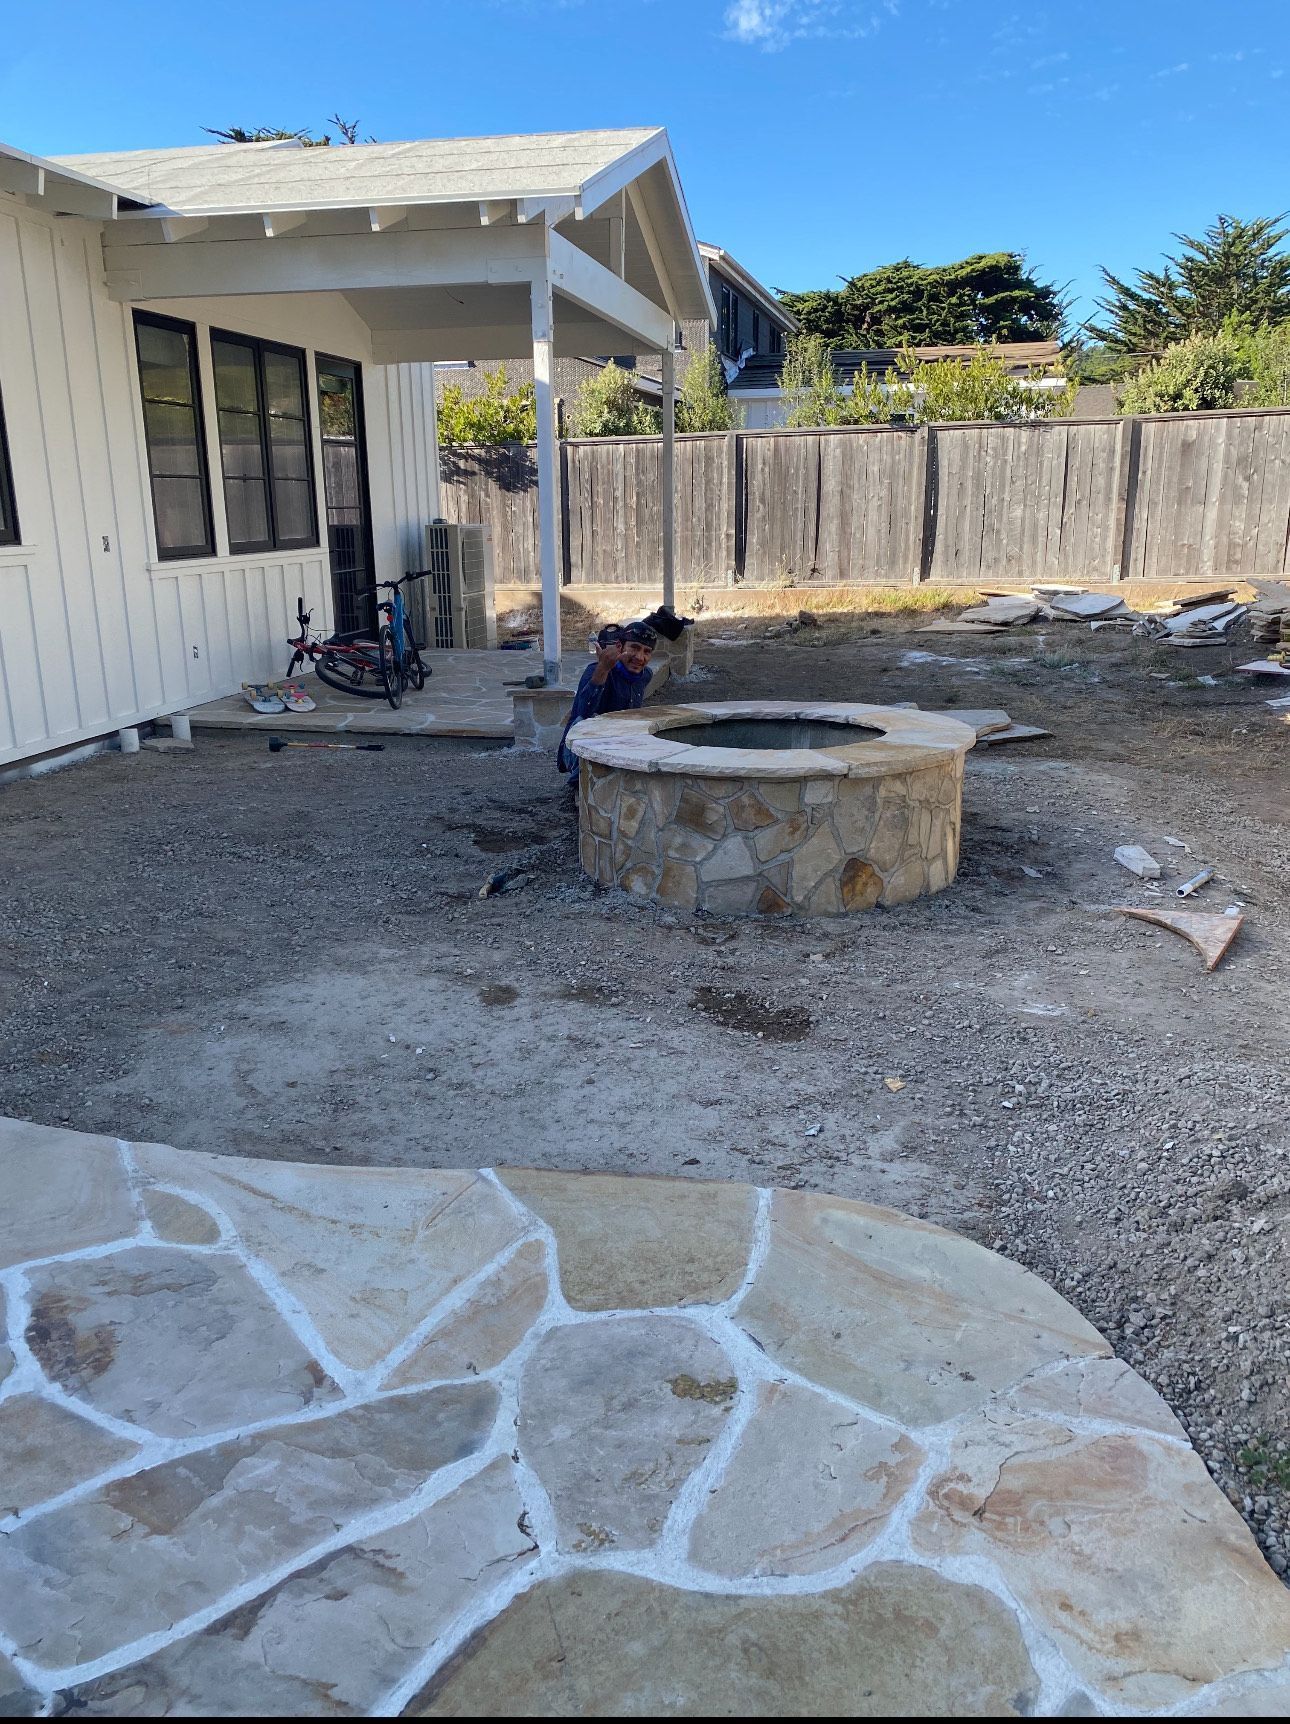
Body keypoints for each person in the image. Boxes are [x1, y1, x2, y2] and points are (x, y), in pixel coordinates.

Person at [557, 620, 657, 783]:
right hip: (580, 749)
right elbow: (583, 713)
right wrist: (603, 669)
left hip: (618, 741)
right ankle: (581, 785)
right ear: (620, 646)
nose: (640, 657)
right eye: (634, 648)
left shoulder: (645, 675)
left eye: (647, 651)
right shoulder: (595, 670)